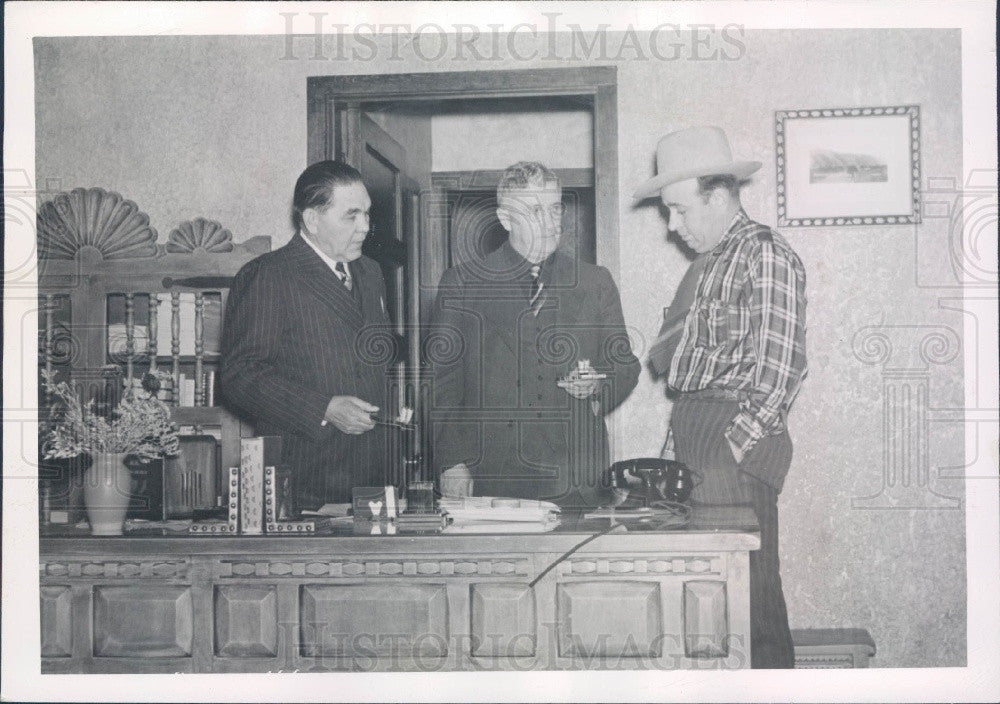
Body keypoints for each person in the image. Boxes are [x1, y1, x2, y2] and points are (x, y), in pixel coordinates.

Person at [635, 126, 808, 668]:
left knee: (750, 604)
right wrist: (674, 450)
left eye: (680, 209)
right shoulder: (709, 264)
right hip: (697, 440)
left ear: (717, 194)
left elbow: (781, 369)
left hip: (731, 449)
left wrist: (730, 449)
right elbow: (691, 375)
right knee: (706, 608)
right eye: (667, 210)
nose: (672, 224)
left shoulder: (764, 253)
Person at [429, 161, 640, 509]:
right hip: (494, 477)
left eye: (555, 208)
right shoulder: (462, 284)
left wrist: (598, 386)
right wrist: (452, 461)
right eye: (535, 211)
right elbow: (442, 383)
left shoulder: (594, 281)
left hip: (577, 480)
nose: (551, 221)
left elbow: (626, 367)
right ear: (505, 218)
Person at [220, 160, 393, 510]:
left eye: (368, 214)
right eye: (352, 216)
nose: (365, 227)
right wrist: (324, 408)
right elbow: (239, 375)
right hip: (305, 476)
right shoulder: (269, 274)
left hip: (372, 475)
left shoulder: (371, 272)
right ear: (313, 220)